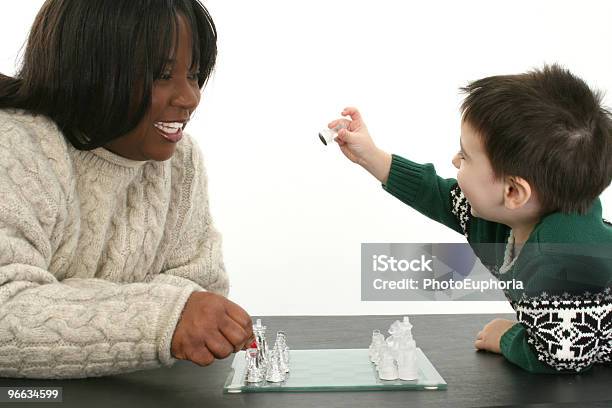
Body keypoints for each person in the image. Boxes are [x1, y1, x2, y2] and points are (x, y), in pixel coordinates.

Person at [0, 0, 253, 379]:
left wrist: (64, 301)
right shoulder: (16, 146)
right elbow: (7, 310)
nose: (190, 98)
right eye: (162, 75)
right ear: (90, 72)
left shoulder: (181, 161)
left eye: (194, 73)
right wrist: (163, 317)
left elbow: (203, 286)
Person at [328, 65, 612, 373]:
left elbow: (559, 355)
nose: (454, 160)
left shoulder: (565, 260)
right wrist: (370, 155)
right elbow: (438, 196)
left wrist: (507, 336)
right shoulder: (503, 219)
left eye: (465, 157)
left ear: (514, 191)